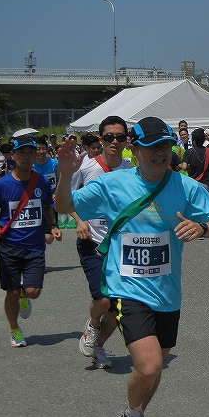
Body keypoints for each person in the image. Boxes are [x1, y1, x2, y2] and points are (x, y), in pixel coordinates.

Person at [55, 116, 209, 417]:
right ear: (134, 149)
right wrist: (64, 176)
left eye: (166, 146)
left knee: (153, 368)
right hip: (128, 288)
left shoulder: (184, 186)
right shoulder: (112, 184)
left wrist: (202, 227)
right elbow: (65, 206)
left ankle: (132, 414)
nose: (161, 152)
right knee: (149, 366)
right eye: (152, 146)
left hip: (168, 293)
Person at [0, 135, 62, 348]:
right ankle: (14, 329)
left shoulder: (42, 182)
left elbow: (46, 207)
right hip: (9, 246)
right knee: (12, 291)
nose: (26, 157)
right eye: (22, 153)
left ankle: (25, 296)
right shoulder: (2, 184)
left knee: (33, 292)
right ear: (13, 155)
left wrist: (53, 226)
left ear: (36, 155)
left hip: (35, 247)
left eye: (30, 153)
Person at [68, 116, 133, 369]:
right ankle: (92, 324)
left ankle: (98, 345)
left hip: (121, 245)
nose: (114, 142)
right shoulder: (86, 168)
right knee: (103, 299)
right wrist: (78, 220)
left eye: (119, 137)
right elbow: (64, 198)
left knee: (119, 307)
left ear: (127, 140)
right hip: (92, 242)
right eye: (108, 137)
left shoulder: (130, 170)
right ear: (100, 139)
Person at [33, 137, 61, 244]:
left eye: (43, 149)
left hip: (51, 204)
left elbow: (60, 180)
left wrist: (56, 193)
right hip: (35, 203)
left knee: (49, 239)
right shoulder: (31, 166)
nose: (41, 152)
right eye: (38, 149)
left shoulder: (54, 163)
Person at [179, 128, 209, 196]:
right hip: (207, 184)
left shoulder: (189, 152)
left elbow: (184, 167)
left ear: (194, 141)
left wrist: (189, 169)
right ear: (204, 140)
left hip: (193, 183)